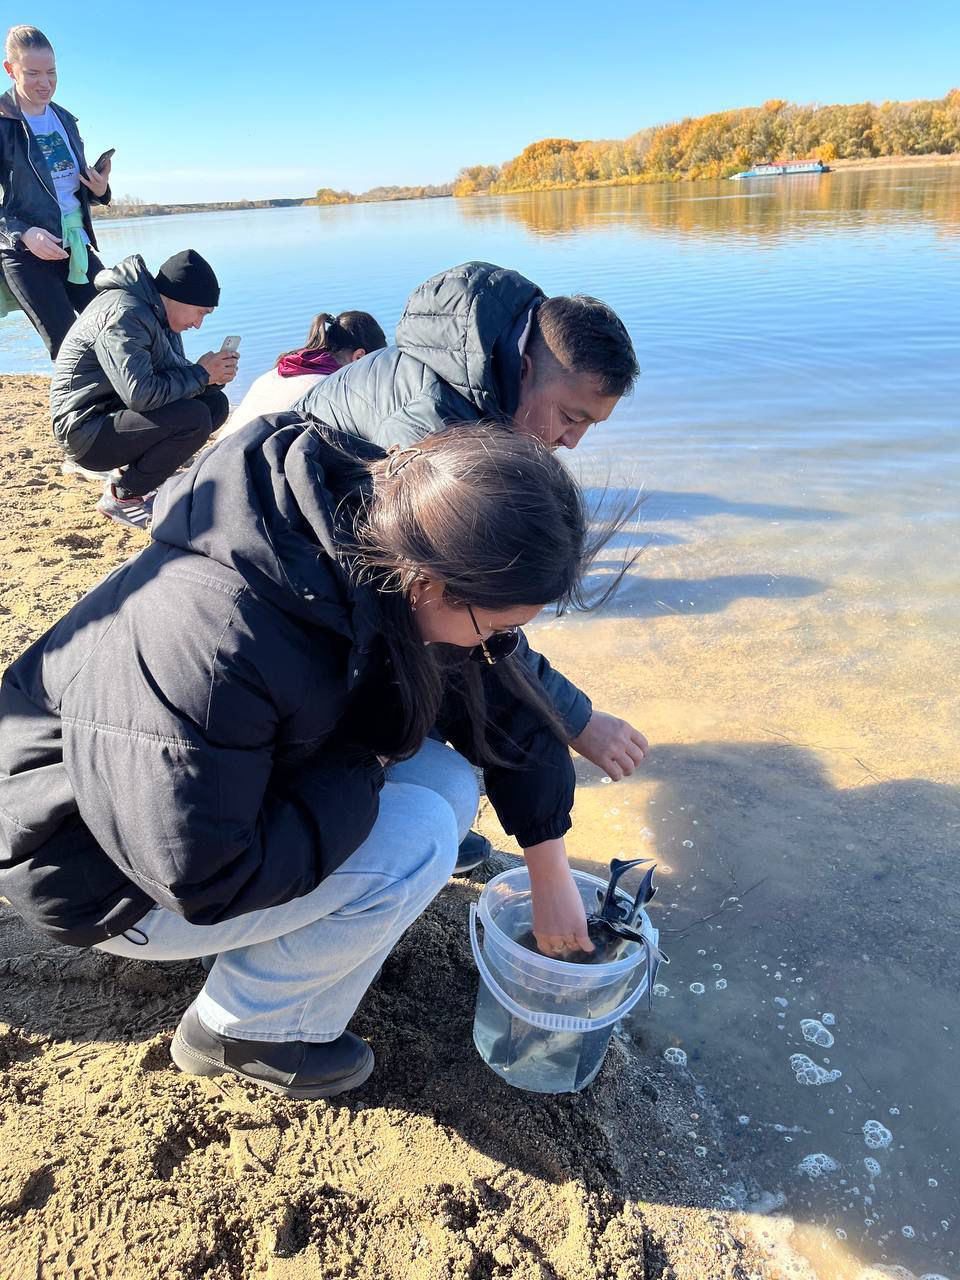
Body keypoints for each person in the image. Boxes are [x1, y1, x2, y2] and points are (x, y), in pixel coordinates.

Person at [0, 419, 634, 1099]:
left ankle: (288, 956)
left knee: (446, 781)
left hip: (190, 807)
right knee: (417, 838)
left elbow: (500, 697)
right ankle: (245, 1027)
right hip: (98, 876)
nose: (498, 644)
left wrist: (550, 865)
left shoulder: (387, 540)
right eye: (498, 627)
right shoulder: (216, 634)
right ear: (432, 584)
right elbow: (202, 877)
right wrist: (367, 761)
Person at [293, 260, 649, 872]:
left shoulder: (474, 371)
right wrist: (576, 721)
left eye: (590, 426)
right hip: (312, 585)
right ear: (529, 366)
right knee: (452, 655)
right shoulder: (435, 433)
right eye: (570, 417)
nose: (571, 444)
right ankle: (399, 807)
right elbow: (483, 637)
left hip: (346, 565)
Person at [50, 249, 237, 529]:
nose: (198, 324)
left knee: (214, 404)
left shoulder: (157, 312)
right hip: (83, 432)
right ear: (179, 297)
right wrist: (200, 373)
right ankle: (123, 498)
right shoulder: (125, 314)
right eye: (200, 312)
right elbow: (140, 394)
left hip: (111, 413)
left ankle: (130, 475)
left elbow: (167, 376)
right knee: (194, 417)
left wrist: (211, 377)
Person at [0, 26, 112, 358]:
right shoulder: (3, 122)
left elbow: (65, 188)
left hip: (74, 245)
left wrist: (100, 190)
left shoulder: (65, 119)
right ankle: (74, 409)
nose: (45, 82)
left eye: (51, 72)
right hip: (26, 254)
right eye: (32, 73)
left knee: (114, 325)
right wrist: (23, 233)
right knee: (68, 347)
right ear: (10, 69)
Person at [220, 310, 386, 439]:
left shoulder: (279, 370)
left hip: (214, 461)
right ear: (359, 357)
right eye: (375, 367)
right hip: (247, 473)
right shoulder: (332, 392)